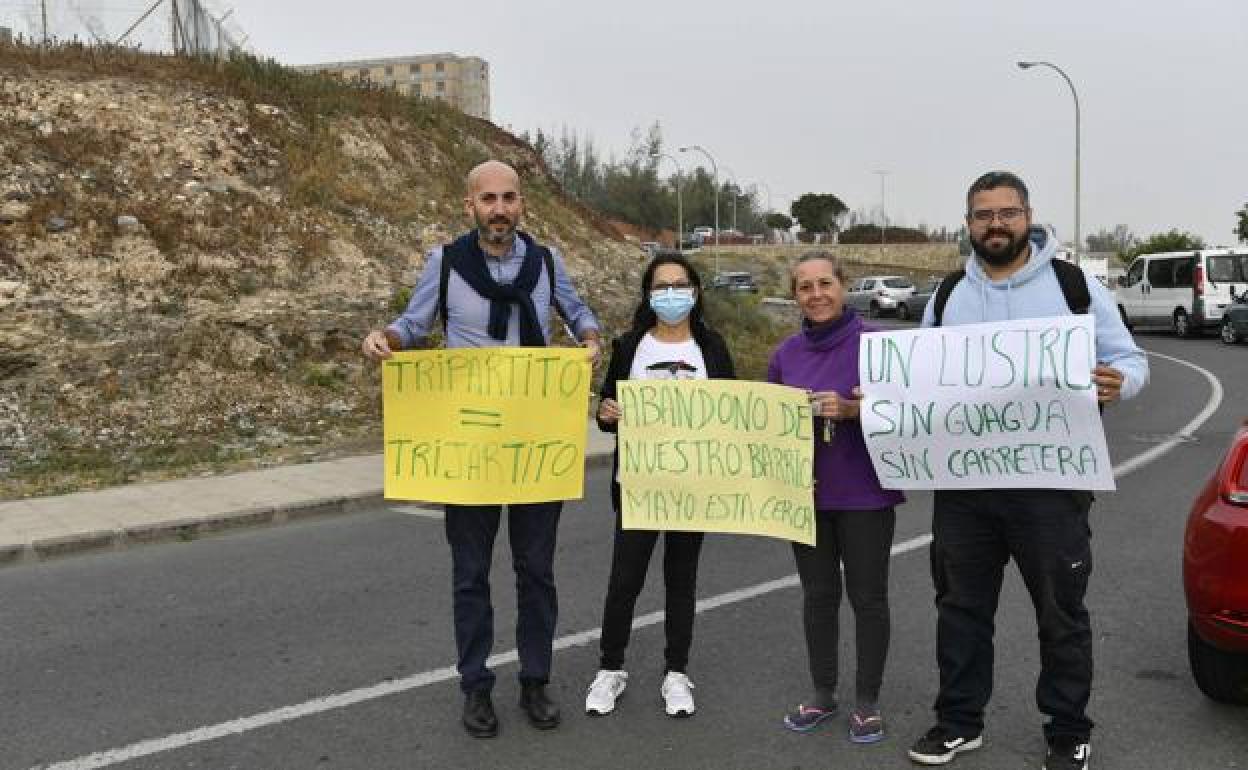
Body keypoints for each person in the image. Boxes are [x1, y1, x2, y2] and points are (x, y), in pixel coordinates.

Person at [906, 171, 1148, 770]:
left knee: (1060, 613)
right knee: (960, 610)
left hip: (1052, 487)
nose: (995, 224)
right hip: (963, 487)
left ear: (1028, 216)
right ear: (967, 225)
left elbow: (1129, 360)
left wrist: (1122, 383)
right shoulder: (946, 296)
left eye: (1007, 213)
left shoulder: (1074, 286)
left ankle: (1068, 730)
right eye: (983, 214)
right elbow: (918, 376)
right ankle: (959, 721)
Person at [361, 160, 601, 739]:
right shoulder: (445, 263)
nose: (500, 208)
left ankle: (536, 682)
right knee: (470, 574)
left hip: (533, 446)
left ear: (523, 204)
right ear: (468, 205)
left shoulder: (547, 262)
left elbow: (576, 313)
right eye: (488, 198)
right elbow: (413, 325)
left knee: (536, 571)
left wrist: (590, 340)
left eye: (510, 197)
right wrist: (384, 339)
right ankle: (475, 687)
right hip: (468, 448)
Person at [584, 253, 736, 719]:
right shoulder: (630, 346)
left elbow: (733, 414)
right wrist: (606, 414)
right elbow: (608, 408)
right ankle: (611, 668)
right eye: (661, 285)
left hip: (692, 487)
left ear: (694, 291)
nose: (671, 293)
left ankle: (676, 673)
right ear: (649, 294)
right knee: (624, 581)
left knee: (681, 581)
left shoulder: (711, 348)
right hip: (638, 485)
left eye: (679, 284)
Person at [766, 251, 905, 744]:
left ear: (843, 287)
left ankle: (868, 701)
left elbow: (904, 417)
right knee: (817, 598)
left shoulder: (877, 345)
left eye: (825, 283)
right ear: (795, 295)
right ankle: (823, 693)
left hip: (867, 493)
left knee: (868, 599)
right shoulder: (784, 355)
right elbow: (768, 430)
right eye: (805, 287)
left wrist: (850, 410)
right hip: (807, 497)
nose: (816, 294)